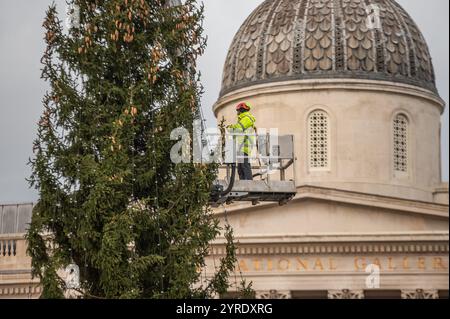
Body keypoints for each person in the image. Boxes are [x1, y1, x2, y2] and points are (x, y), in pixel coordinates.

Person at [227, 102, 256, 180]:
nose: (237, 112)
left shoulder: (247, 118)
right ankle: (243, 182)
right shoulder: (243, 119)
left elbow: (238, 129)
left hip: (244, 145)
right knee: (240, 168)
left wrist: (230, 127)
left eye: (238, 110)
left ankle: (249, 183)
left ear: (242, 110)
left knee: (244, 165)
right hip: (241, 146)